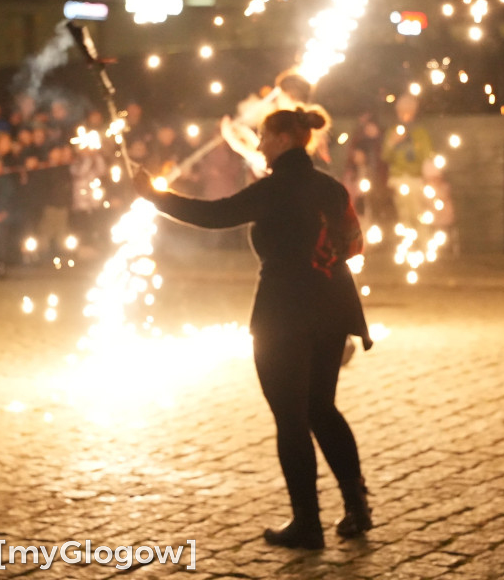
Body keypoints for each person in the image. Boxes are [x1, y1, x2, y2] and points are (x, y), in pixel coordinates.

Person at [134, 107, 374, 550]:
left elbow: (213, 215)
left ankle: (308, 523)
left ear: (283, 138)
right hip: (333, 308)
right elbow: (355, 242)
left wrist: (154, 195)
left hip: (285, 312)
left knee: (291, 416)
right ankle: (357, 507)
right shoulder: (330, 186)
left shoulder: (274, 189)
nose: (259, 145)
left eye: (264, 136)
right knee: (322, 407)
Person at [381, 94, 433, 231]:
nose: (403, 114)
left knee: (419, 214)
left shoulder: (420, 132)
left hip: (416, 179)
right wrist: (392, 143)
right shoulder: (392, 131)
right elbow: (385, 156)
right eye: (400, 111)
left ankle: (423, 246)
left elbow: (427, 156)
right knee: (403, 216)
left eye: (407, 110)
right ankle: (408, 246)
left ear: (413, 111)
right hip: (398, 179)